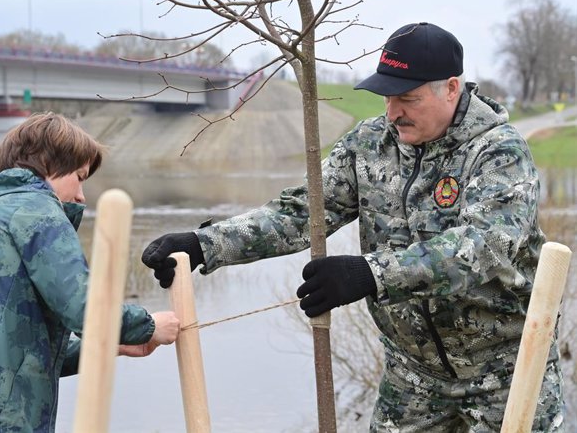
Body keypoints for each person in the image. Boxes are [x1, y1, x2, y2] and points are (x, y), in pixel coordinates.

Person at [141, 23, 565, 431]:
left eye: (408, 98)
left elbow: (481, 248)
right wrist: (206, 244)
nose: (393, 112)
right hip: (414, 376)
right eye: (386, 96)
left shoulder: (499, 153)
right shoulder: (370, 144)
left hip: (507, 369)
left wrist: (370, 274)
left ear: (451, 88)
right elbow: (300, 213)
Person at [0, 112, 180, 432]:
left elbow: (11, 353)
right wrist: (149, 325)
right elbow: (84, 307)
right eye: (80, 176)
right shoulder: (36, 209)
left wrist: (112, 345)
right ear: (48, 164)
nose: (81, 196)